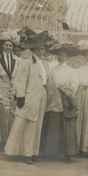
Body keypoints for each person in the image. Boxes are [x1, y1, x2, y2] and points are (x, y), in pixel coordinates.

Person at [4, 33, 53, 164]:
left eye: (43, 49)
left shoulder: (44, 64)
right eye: (39, 49)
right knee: (22, 124)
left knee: (37, 125)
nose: (42, 51)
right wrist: (20, 96)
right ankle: (19, 152)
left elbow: (46, 80)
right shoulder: (27, 62)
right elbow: (21, 80)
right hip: (29, 96)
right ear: (34, 50)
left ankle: (32, 152)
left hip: (41, 95)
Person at [41, 42, 80, 162]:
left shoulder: (72, 71)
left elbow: (74, 85)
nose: (61, 57)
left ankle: (67, 153)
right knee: (54, 123)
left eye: (63, 55)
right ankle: (52, 151)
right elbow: (49, 82)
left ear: (67, 57)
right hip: (54, 97)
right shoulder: (52, 70)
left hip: (66, 99)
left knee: (67, 125)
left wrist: (65, 89)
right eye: (59, 55)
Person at [0, 31, 21, 149]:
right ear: (2, 46)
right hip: (0, 89)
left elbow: (18, 77)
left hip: (12, 91)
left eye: (10, 45)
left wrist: (16, 90)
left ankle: (8, 141)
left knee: (11, 115)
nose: (8, 47)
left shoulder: (17, 59)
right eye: (6, 45)